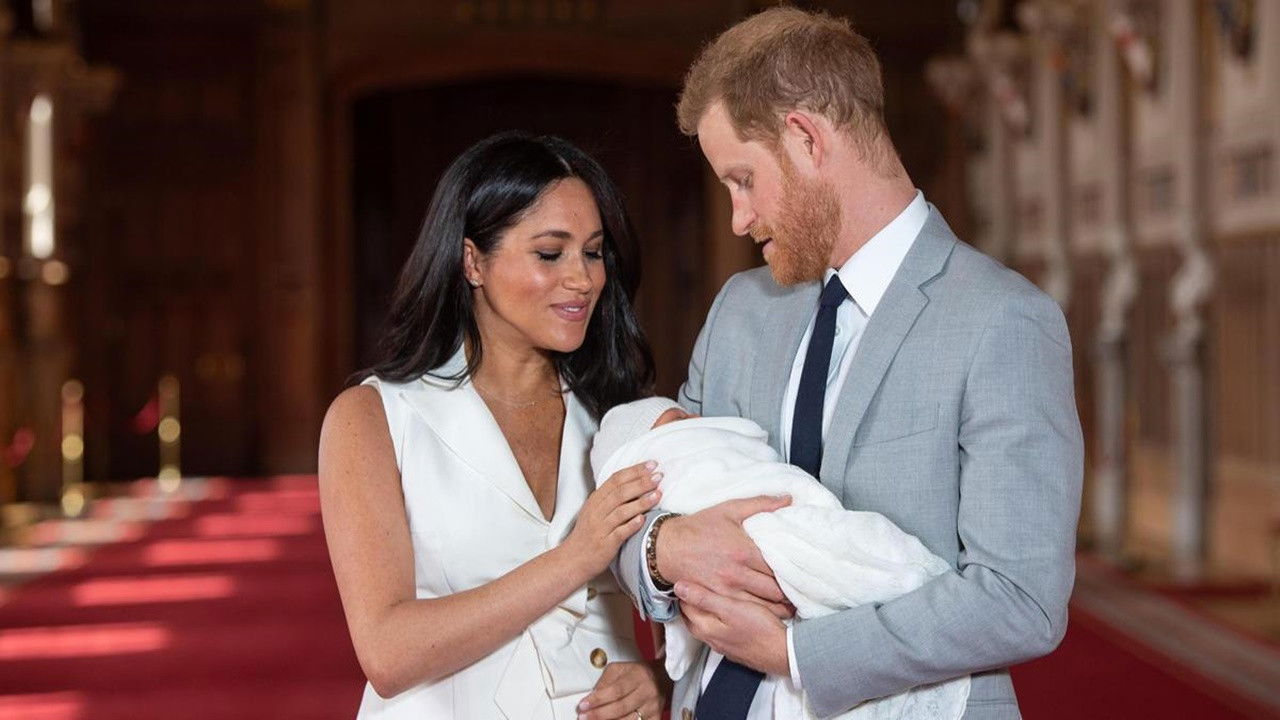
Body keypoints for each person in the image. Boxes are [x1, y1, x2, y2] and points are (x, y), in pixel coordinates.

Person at [611, 7, 1084, 720]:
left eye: (743, 179)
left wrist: (795, 655)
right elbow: (650, 490)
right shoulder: (741, 309)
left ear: (805, 139)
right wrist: (663, 550)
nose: (738, 218)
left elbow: (1021, 601)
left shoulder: (1002, 320)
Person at [318, 132, 668, 720]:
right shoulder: (375, 416)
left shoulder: (623, 416)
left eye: (593, 252)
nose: (582, 279)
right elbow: (387, 652)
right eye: (550, 253)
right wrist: (575, 556)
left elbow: (685, 616)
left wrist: (660, 680)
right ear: (472, 260)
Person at [590, 396, 968, 720]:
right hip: (714, 689)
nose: (695, 420)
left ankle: (894, 575)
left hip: (884, 640)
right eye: (680, 421)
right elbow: (620, 520)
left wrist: (792, 654)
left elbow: (1019, 593)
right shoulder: (729, 319)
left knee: (842, 550)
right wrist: (663, 544)